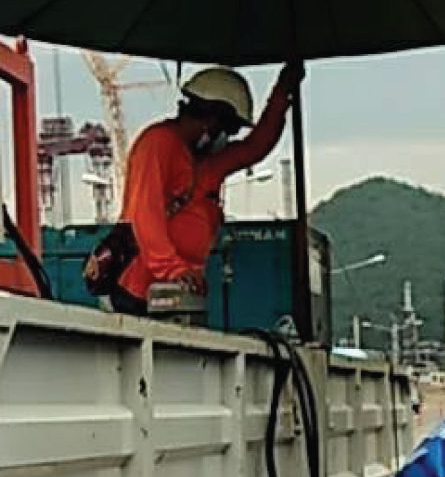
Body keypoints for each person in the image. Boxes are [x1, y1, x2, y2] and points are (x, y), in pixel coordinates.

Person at [102, 62, 302, 316]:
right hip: (140, 294)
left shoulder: (206, 163)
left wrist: (283, 92)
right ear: (212, 118)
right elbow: (145, 215)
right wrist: (173, 271)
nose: (228, 137)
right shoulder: (158, 144)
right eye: (229, 128)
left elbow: (255, 147)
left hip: (178, 291)